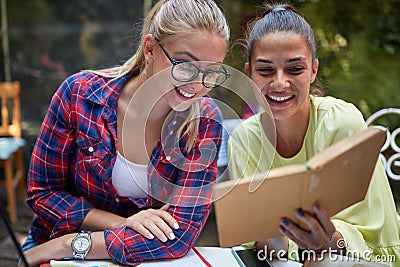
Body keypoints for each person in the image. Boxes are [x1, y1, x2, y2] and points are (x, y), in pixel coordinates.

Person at [20, 0, 230, 266]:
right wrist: (123, 223)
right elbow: (43, 192)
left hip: (87, 250)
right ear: (150, 48)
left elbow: (180, 234)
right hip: (51, 245)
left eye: (211, 72)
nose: (197, 84)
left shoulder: (206, 121)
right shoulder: (79, 95)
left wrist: (70, 245)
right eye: (185, 65)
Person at [228, 2, 400, 265]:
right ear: (249, 74)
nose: (280, 83)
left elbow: (372, 233)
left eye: (295, 69)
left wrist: (328, 242)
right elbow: (262, 244)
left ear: (313, 71)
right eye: (265, 70)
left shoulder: (340, 122)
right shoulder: (244, 139)